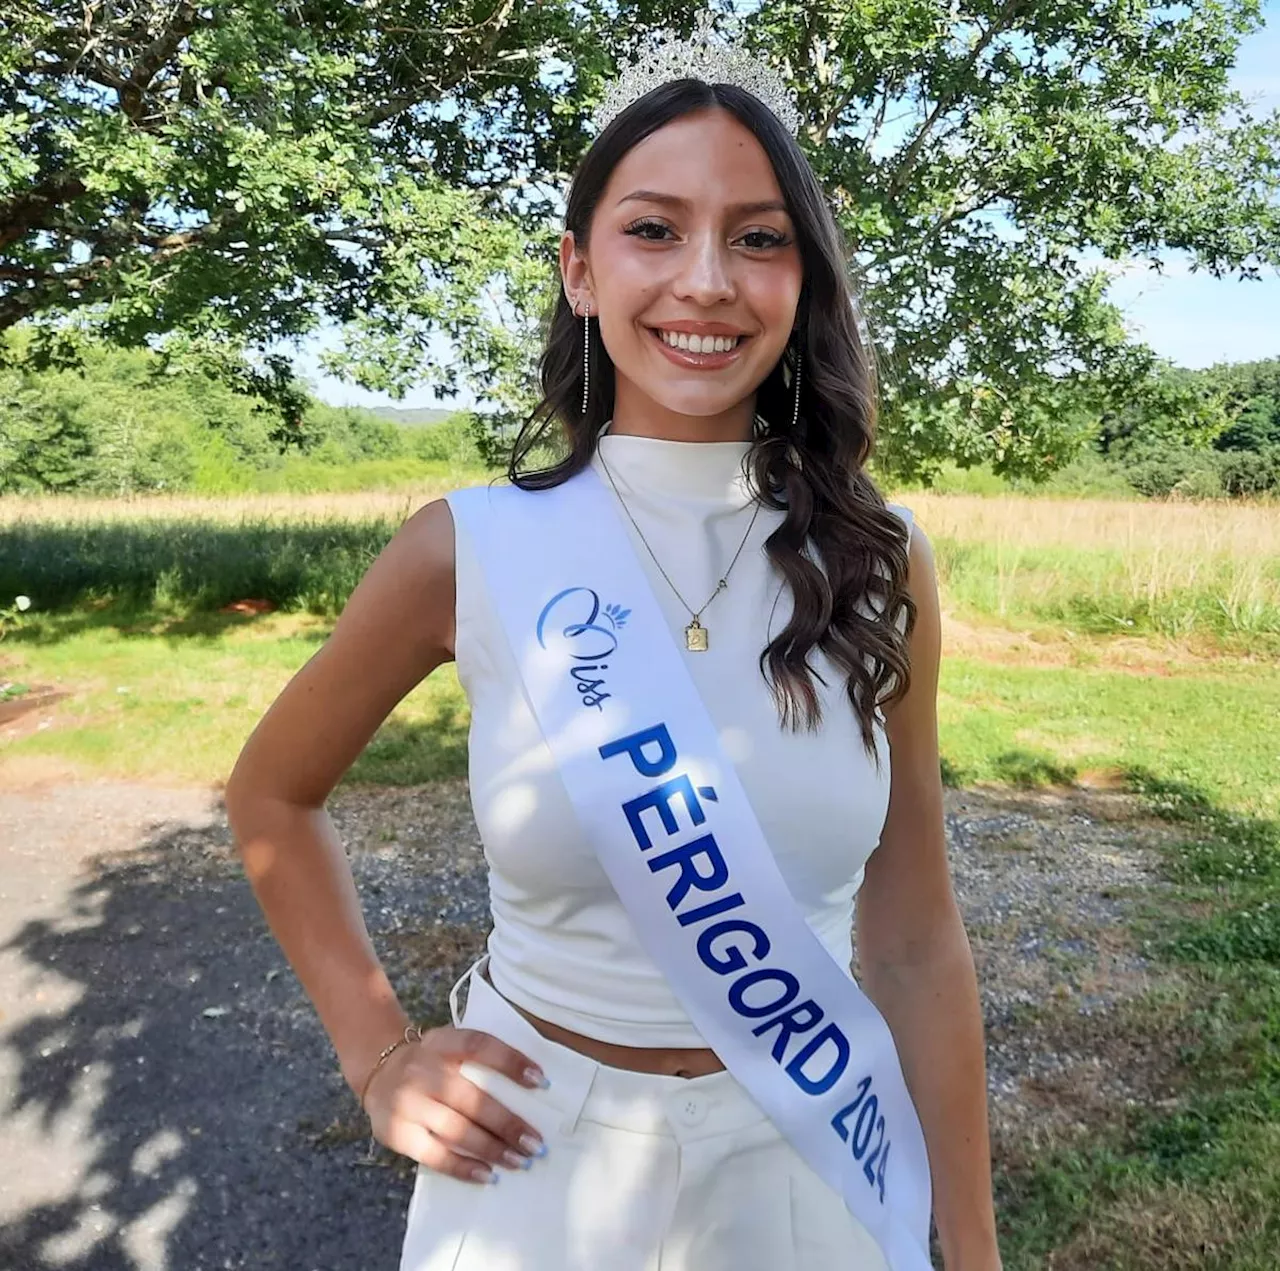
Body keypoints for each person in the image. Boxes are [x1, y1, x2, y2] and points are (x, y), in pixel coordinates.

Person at [225, 17, 1001, 1271]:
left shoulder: (878, 554)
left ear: (799, 278)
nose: (704, 279)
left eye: (757, 237)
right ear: (580, 270)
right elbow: (271, 793)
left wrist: (967, 1244)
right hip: (531, 1161)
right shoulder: (465, 549)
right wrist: (375, 1049)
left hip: (805, 1159)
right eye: (653, 229)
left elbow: (911, 935)